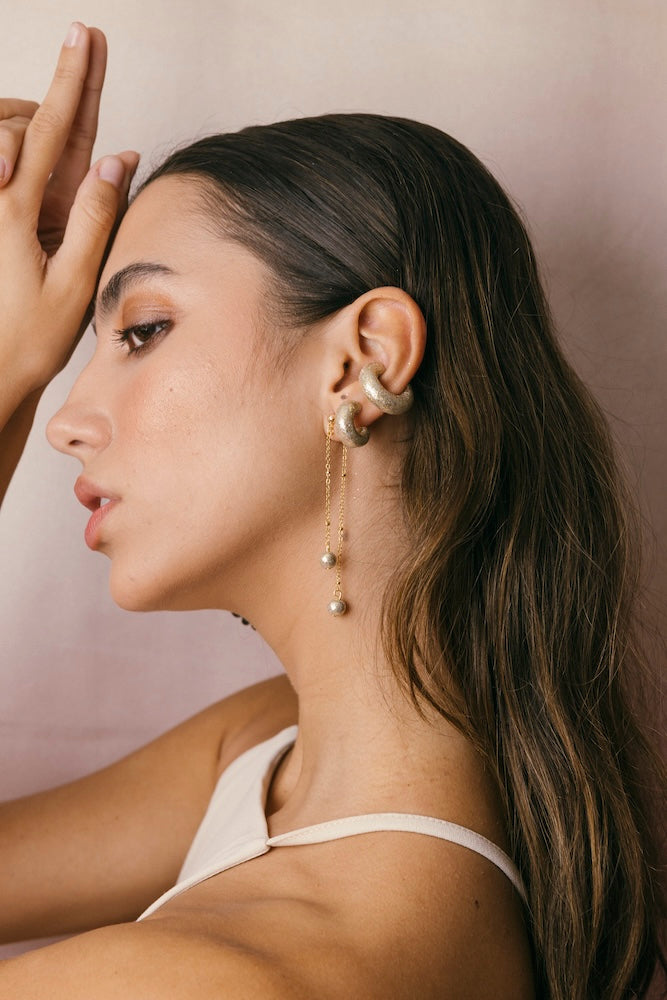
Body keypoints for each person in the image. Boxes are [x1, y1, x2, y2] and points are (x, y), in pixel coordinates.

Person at [0, 22, 663, 1000]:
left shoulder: (200, 979)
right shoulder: (283, 752)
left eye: (142, 330)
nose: (66, 421)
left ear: (363, 360)